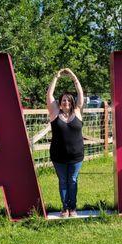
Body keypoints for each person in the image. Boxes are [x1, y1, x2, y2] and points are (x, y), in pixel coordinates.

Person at [46, 68, 85, 217]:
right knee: (63, 181)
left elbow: (80, 94)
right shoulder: (55, 113)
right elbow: (49, 95)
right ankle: (64, 208)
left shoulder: (77, 111)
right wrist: (56, 76)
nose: (66, 102)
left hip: (76, 156)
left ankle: (73, 208)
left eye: (68, 100)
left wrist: (74, 77)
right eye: (63, 100)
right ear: (60, 103)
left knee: (73, 180)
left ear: (72, 102)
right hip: (58, 156)